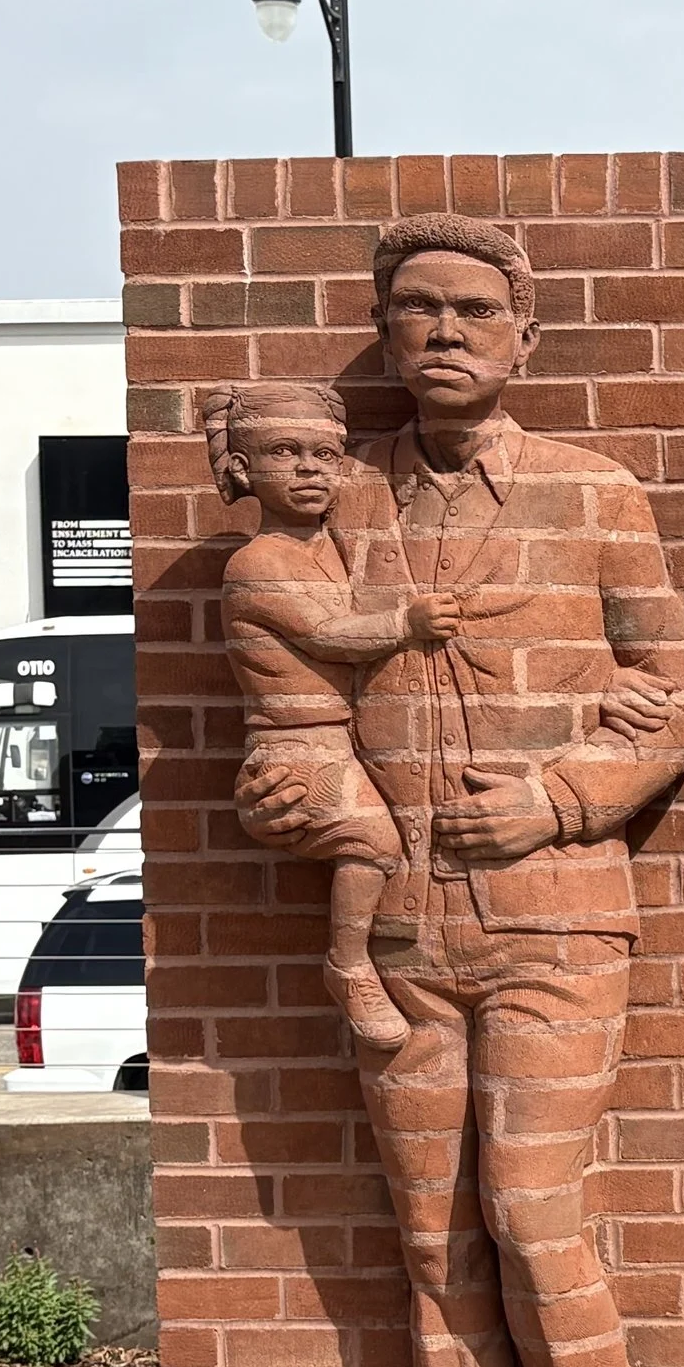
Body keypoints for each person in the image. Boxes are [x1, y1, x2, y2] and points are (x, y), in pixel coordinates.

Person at [235, 214, 684, 1367]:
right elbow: (284, 691)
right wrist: (295, 790)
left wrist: (561, 797)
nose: (444, 332)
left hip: (557, 919)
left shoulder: (593, 493)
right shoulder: (331, 504)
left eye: (474, 310)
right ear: (385, 334)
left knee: (531, 1206)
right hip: (397, 924)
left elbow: (681, 693)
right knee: (432, 1231)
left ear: (524, 336)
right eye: (417, 309)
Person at [203, 380, 426, 1052]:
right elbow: (331, 635)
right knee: (373, 841)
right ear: (243, 468)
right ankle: (348, 963)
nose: (310, 469)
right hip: (295, 747)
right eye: (285, 452)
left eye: (326, 455)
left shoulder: (328, 545)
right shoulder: (257, 563)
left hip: (338, 741)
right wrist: (408, 623)